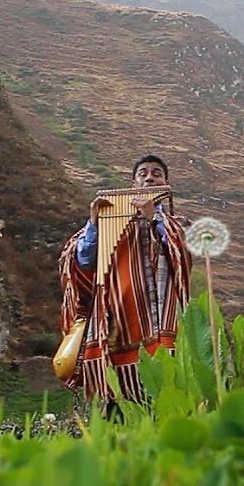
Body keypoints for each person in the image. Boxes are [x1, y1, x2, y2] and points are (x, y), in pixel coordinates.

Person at [59, 155, 192, 410]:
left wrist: (155, 218)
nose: (149, 177)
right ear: (133, 184)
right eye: (143, 173)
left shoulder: (178, 223)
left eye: (156, 173)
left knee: (165, 394)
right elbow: (82, 263)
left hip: (161, 319)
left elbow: (183, 253)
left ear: (166, 184)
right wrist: (94, 225)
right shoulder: (110, 221)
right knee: (117, 405)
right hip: (118, 323)